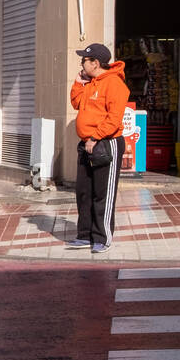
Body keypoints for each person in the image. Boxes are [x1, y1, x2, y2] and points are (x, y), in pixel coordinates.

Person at [66, 43, 129, 253]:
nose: (82, 63)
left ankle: (102, 237)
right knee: (84, 191)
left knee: (103, 193)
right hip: (87, 142)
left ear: (95, 63)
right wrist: (77, 83)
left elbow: (114, 118)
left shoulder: (114, 84)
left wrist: (95, 136)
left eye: (84, 59)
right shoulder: (91, 83)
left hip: (106, 142)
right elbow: (76, 103)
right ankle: (85, 235)